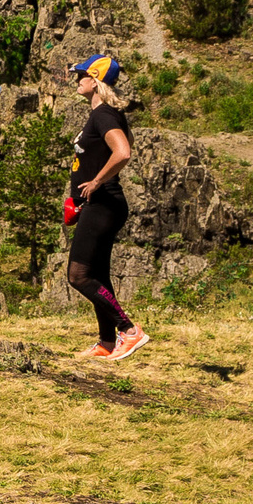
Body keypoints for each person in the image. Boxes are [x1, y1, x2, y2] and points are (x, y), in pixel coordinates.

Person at [65, 52, 148, 360]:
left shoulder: (103, 114)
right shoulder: (102, 114)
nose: (77, 78)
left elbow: (122, 153)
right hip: (97, 205)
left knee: (78, 275)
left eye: (82, 74)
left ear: (96, 81)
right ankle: (106, 342)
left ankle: (128, 330)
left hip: (104, 203)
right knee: (97, 274)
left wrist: (97, 181)